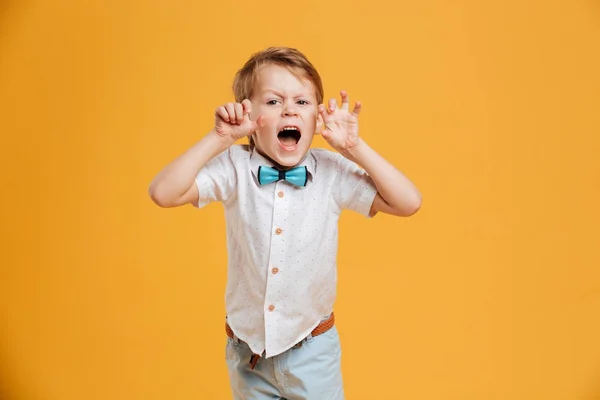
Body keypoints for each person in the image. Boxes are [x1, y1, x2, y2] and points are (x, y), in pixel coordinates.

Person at [148, 46, 422, 400]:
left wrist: (354, 148)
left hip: (312, 349)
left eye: (302, 103)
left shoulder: (331, 172)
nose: (289, 109)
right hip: (248, 354)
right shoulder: (233, 167)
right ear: (248, 113)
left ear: (317, 119)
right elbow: (162, 192)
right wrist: (219, 139)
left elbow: (408, 202)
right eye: (273, 102)